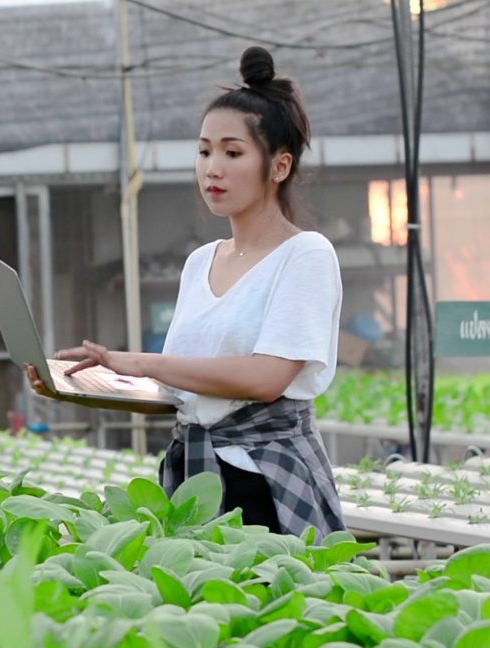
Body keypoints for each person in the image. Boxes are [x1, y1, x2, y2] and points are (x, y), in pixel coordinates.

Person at [25, 46, 345, 540]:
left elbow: (266, 379)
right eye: (204, 150)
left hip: (264, 480)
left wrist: (143, 361)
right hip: (196, 477)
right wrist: (81, 389)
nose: (212, 168)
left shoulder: (305, 255)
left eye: (232, 153)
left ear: (279, 167)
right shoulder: (202, 262)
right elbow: (182, 394)